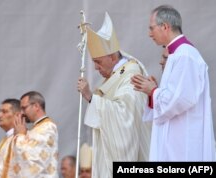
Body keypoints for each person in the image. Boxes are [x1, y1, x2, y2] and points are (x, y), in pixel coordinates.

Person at [131, 5, 215, 161]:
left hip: (183, 141)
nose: (149, 34)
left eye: (151, 28)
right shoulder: (177, 54)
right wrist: (153, 92)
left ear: (164, 26)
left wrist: (153, 91)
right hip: (176, 136)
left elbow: (181, 99)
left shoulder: (185, 55)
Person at [77, 12, 151, 177]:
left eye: (98, 62)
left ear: (111, 57)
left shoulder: (131, 74)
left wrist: (91, 97)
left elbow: (126, 117)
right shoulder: (116, 75)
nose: (96, 68)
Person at [8, 91, 58, 177]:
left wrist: (20, 136)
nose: (22, 113)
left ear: (36, 106)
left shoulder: (48, 127)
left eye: (24, 108)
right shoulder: (36, 129)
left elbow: (33, 159)